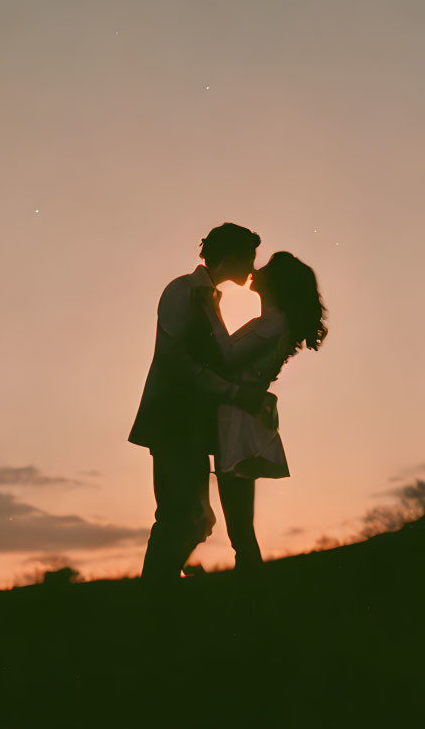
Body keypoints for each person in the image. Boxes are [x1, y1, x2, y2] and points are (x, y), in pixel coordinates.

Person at [129, 223, 270, 583]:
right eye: (250, 257)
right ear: (233, 255)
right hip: (172, 419)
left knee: (196, 518)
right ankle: (155, 600)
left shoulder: (208, 298)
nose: (254, 266)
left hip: (191, 424)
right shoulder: (183, 290)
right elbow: (173, 359)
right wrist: (233, 393)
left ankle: (161, 594)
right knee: (179, 515)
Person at [192, 251, 328, 572]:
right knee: (240, 531)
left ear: (278, 283)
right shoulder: (271, 322)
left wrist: (208, 306)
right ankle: (251, 601)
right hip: (238, 419)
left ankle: (252, 605)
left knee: (240, 532)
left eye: (267, 267)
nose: (257, 269)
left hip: (239, 423)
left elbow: (226, 355)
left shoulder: (274, 323)